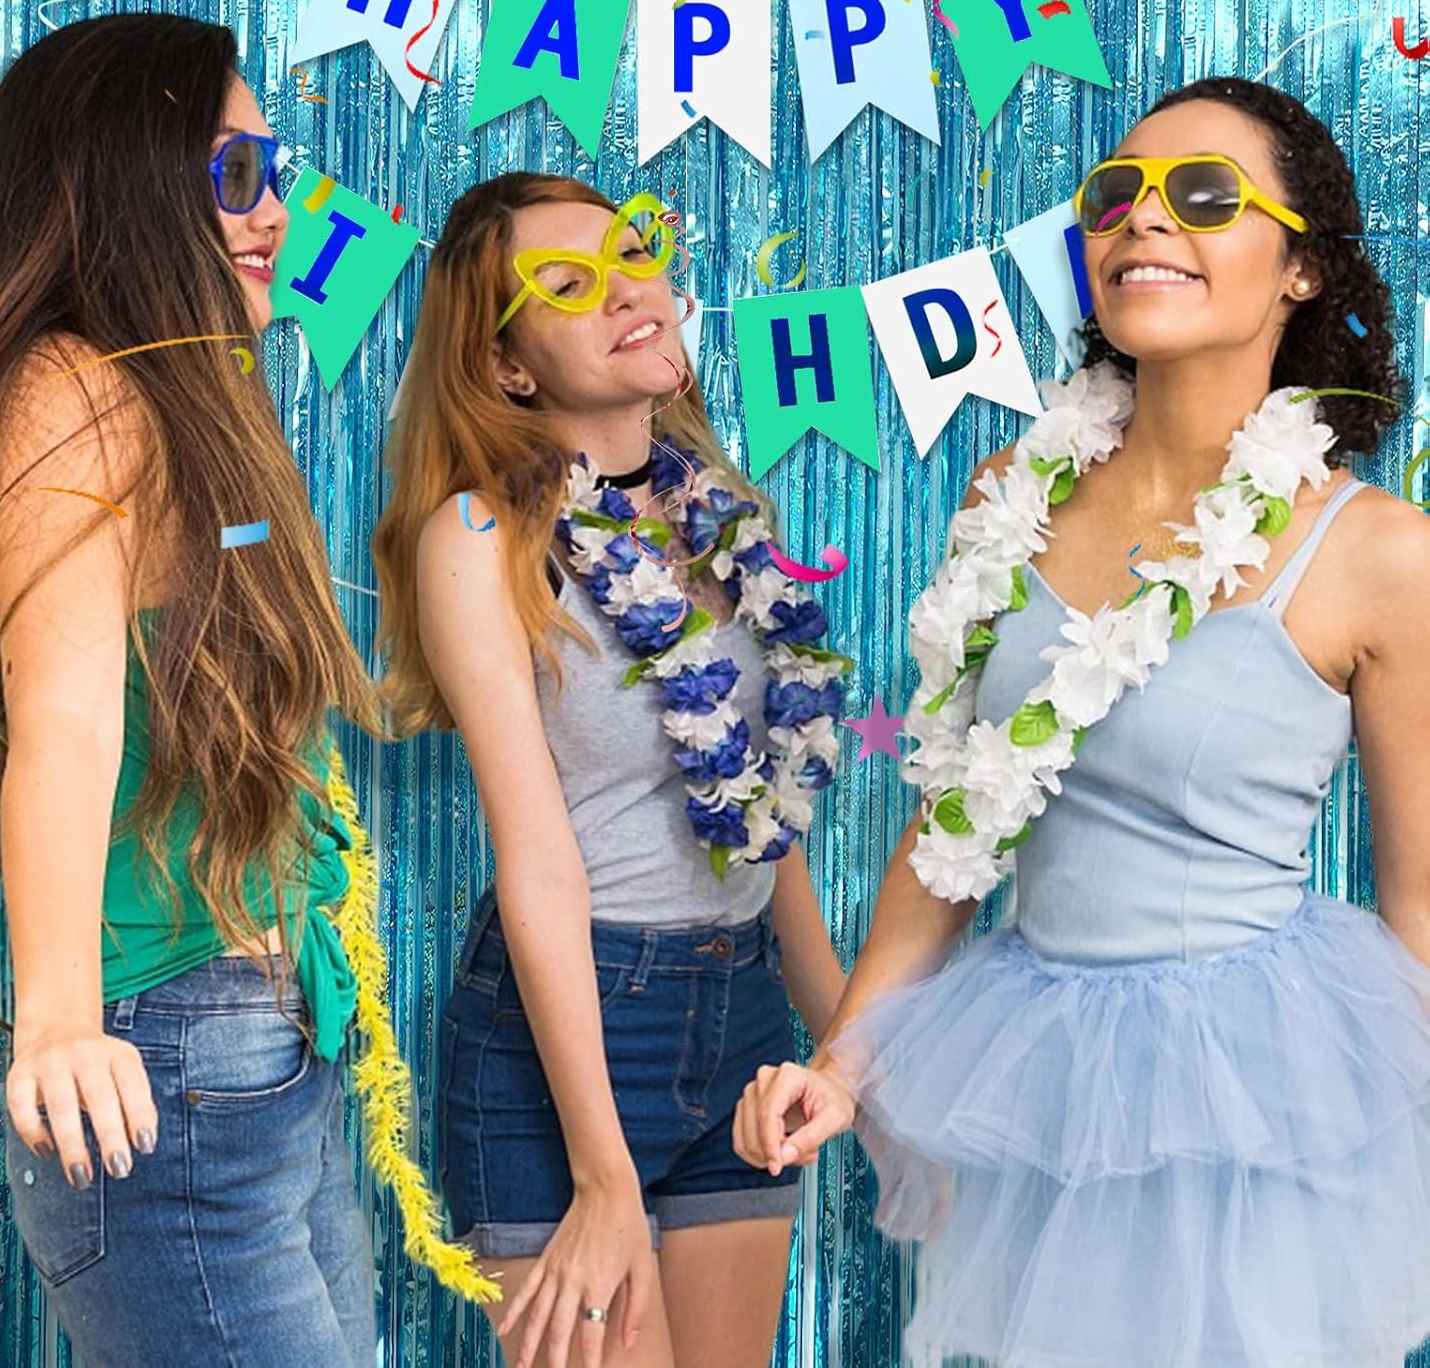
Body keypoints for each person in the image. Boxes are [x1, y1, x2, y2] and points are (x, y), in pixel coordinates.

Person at [733, 77, 1430, 1366]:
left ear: (1302, 269)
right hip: (1045, 1084)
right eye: (1117, 196)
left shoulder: (1379, 553)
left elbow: (1423, 913)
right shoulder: (1012, 491)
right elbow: (953, 831)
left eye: (1204, 196)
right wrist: (840, 1068)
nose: (1143, 220)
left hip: (1257, 1099)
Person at [0, 13, 390, 1365]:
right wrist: (58, 1017)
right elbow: (65, 716)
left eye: (275, 171)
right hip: (165, 1066)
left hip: (263, 1049)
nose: (275, 211)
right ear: (125, 182)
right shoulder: (67, 388)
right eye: (236, 173)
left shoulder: (184, 399)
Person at [372, 173, 850, 1368]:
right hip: (575, 1036)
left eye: (632, 254)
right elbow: (536, 860)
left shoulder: (722, 517)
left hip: (743, 1012)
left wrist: (852, 1051)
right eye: (568, 284)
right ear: (507, 367)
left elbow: (761, 819)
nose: (626, 289)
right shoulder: (479, 539)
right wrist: (601, 1174)